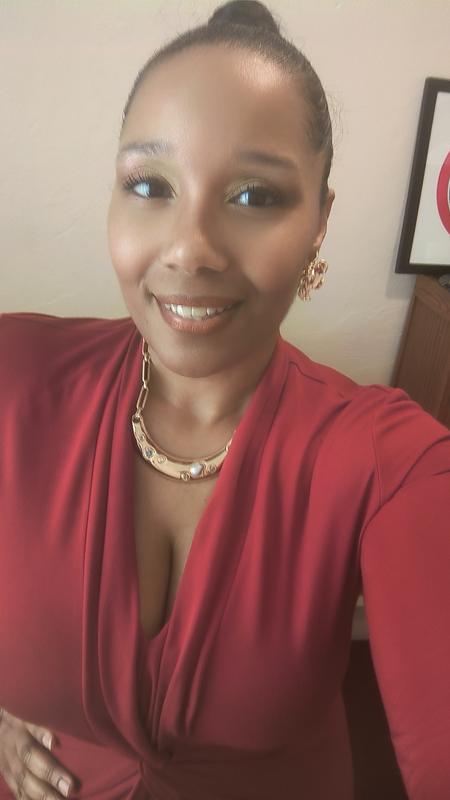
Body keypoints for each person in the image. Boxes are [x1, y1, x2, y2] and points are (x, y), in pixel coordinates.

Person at [0, 1, 449, 798]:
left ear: (320, 222)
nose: (189, 248)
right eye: (150, 184)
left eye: (254, 196)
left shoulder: (390, 461)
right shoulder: (15, 377)